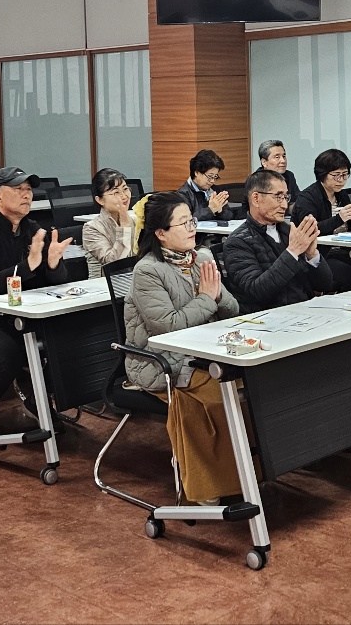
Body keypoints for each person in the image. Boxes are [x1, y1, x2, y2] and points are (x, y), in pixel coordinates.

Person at [122, 191, 243, 505]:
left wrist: (217, 295)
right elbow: (170, 327)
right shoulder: (148, 271)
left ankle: (249, 472)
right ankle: (211, 484)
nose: (192, 228)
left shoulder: (201, 257)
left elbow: (232, 310)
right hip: (159, 361)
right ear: (161, 233)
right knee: (217, 396)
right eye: (184, 223)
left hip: (203, 352)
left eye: (192, 221)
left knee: (249, 387)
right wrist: (207, 299)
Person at [0, 166, 72, 430]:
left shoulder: (33, 229)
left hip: (25, 313)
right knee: (7, 354)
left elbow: (55, 280)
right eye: (18, 189)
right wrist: (27, 266)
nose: (26, 195)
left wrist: (53, 264)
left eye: (28, 189)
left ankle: (37, 399)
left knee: (70, 341)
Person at [223, 168, 333, 313]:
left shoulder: (289, 231)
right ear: (256, 199)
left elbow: (325, 285)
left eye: (286, 197)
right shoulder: (237, 242)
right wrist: (293, 251)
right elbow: (257, 291)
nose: (285, 205)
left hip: (303, 310)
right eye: (278, 197)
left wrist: (312, 255)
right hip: (267, 317)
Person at [291, 148, 351, 291]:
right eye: (336, 175)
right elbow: (311, 230)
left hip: (343, 250)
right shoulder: (308, 198)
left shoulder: (342, 195)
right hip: (319, 254)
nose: (341, 180)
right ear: (322, 174)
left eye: (345, 175)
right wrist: (339, 218)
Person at [81, 168, 136, 278]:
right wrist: (124, 228)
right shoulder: (92, 228)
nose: (124, 196)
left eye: (125, 189)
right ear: (100, 200)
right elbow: (114, 264)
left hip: (133, 281)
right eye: (116, 192)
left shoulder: (136, 220)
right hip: (104, 285)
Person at [242, 139, 300, 214]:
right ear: (264, 162)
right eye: (277, 157)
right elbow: (266, 209)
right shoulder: (256, 180)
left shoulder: (289, 176)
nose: (283, 161)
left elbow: (297, 201)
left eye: (284, 156)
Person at [177, 149, 232, 223]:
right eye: (210, 176)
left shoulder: (214, 190)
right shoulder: (183, 194)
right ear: (197, 172)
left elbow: (230, 216)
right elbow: (186, 219)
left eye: (215, 177)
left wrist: (220, 211)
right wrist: (210, 210)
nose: (212, 181)